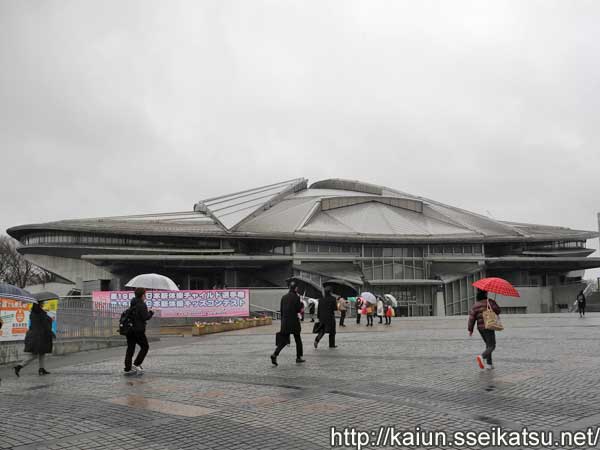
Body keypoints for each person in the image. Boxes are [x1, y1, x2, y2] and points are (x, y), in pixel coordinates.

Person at [14, 301, 54, 377]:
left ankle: (41, 369)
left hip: (35, 335)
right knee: (34, 354)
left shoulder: (33, 313)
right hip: (39, 336)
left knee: (42, 352)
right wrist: (51, 331)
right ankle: (19, 366)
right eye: (42, 303)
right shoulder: (40, 314)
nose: (43, 304)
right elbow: (45, 324)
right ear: (39, 304)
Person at [271, 282, 305, 365]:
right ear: (296, 288)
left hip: (285, 322)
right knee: (298, 339)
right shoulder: (296, 297)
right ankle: (298, 357)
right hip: (294, 322)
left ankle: (275, 354)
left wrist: (282, 321)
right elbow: (298, 309)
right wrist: (301, 306)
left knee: (284, 341)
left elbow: (281, 310)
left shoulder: (284, 297)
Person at [124, 287, 154, 375]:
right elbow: (146, 317)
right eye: (145, 294)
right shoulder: (142, 304)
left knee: (130, 348)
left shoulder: (133, 303)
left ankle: (128, 368)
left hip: (130, 330)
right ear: (142, 295)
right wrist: (151, 312)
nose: (146, 296)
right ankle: (136, 364)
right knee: (145, 347)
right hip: (138, 330)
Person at [468, 289, 501, 370]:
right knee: (492, 346)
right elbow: (498, 311)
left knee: (488, 345)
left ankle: (489, 364)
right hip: (489, 325)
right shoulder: (490, 302)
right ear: (485, 293)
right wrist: (494, 304)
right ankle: (481, 357)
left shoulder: (476, 305)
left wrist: (470, 329)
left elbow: (471, 318)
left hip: (480, 328)